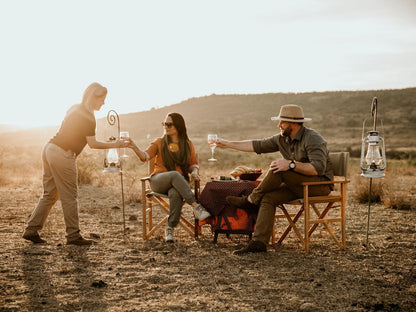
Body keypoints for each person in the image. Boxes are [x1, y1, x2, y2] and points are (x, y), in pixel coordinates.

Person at [216, 104, 334, 254]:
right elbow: (257, 145)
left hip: (320, 185)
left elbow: (317, 169)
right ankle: (259, 243)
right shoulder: (282, 139)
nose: (279, 125)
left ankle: (251, 200)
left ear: (293, 123)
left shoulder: (313, 138)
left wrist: (290, 164)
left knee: (279, 168)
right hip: (298, 185)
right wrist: (227, 144)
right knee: (269, 197)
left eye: (282, 122)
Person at [23, 82, 129, 246]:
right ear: (94, 97)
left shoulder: (74, 108)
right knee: (69, 196)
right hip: (63, 154)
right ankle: (73, 235)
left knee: (50, 194)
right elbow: (93, 144)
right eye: (102, 99)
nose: (104, 103)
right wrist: (116, 145)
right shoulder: (89, 117)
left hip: (49, 148)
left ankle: (31, 229)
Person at [129, 112, 211, 243]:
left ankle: (170, 228)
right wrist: (134, 147)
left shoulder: (187, 144)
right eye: (164, 124)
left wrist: (194, 172)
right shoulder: (159, 142)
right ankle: (196, 206)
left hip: (179, 183)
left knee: (175, 193)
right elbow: (144, 156)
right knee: (174, 174)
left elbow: (193, 164)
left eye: (169, 124)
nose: (165, 127)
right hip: (158, 181)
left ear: (178, 126)